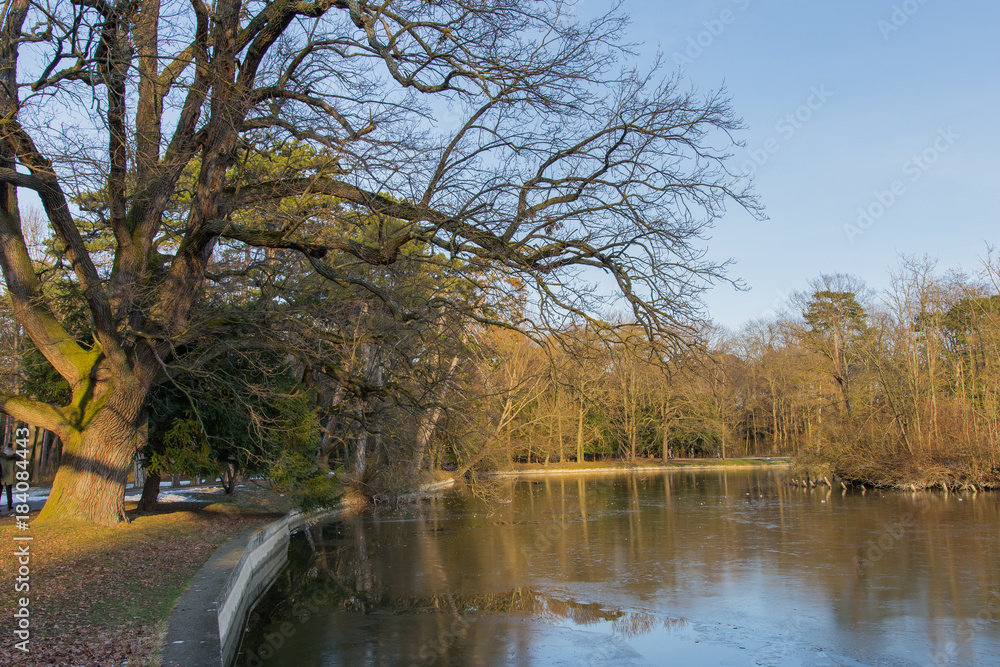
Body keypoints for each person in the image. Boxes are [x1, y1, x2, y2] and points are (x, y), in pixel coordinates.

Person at [1, 442, 15, 512]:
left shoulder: (1, 456)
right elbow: (15, 467)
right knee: (9, 491)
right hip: (10, 475)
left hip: (2, 475)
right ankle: (9, 505)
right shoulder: (13, 456)